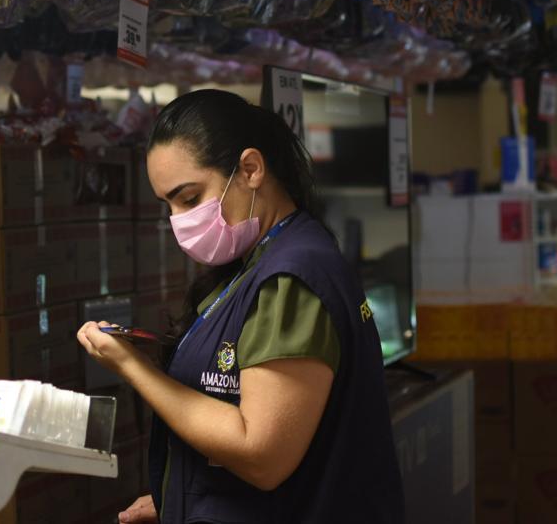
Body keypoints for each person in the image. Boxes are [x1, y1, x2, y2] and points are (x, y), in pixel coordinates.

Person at [77, 89, 403, 524]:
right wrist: (180, 496)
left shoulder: (292, 278)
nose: (179, 221)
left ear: (250, 169)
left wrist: (132, 367)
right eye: (168, 205)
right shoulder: (255, 264)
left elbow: (261, 456)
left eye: (189, 198)